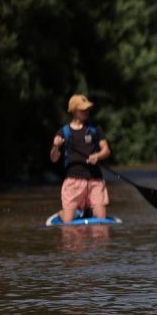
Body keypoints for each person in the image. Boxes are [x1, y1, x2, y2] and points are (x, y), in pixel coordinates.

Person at [50, 94, 111, 223]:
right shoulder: (64, 132)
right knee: (68, 222)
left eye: (87, 108)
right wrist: (56, 146)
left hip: (95, 180)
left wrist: (97, 156)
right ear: (73, 110)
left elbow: (106, 150)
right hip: (73, 181)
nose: (86, 111)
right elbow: (54, 159)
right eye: (83, 109)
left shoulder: (95, 129)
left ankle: (88, 209)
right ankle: (64, 213)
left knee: (101, 219)